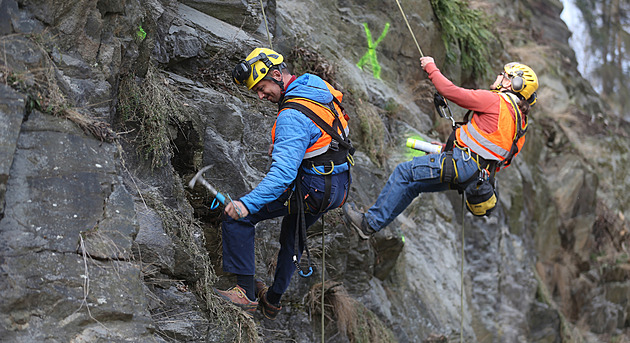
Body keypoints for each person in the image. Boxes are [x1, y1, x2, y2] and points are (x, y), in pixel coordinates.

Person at [214, 47, 353, 319]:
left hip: (312, 188)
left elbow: (282, 177)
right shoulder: (316, 87)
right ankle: (273, 300)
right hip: (338, 186)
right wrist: (296, 147)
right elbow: (330, 134)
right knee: (293, 235)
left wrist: (245, 204)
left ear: (277, 75)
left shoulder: (291, 115)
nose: (261, 95)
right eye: (257, 90)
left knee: (238, 217)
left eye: (263, 87)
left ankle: (244, 292)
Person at [344, 56, 538, 239]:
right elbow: (497, 155)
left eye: (503, 75)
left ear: (511, 83)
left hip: (462, 164)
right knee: (413, 186)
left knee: (404, 172)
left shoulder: (496, 101)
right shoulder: (520, 124)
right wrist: (447, 148)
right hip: (473, 176)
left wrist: (430, 66)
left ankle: (368, 224)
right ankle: (372, 226)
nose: (498, 77)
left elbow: (451, 91)